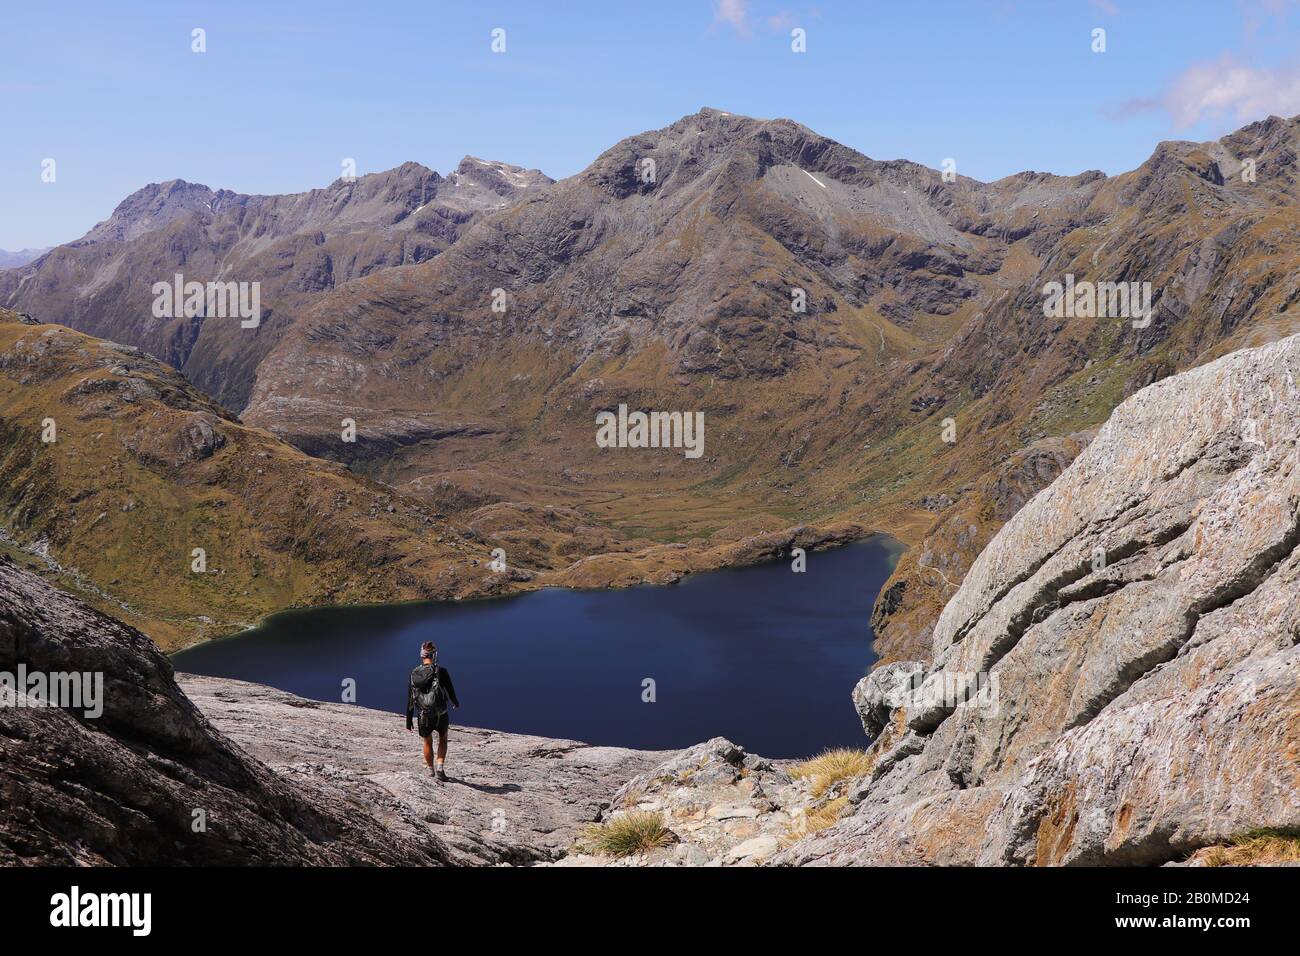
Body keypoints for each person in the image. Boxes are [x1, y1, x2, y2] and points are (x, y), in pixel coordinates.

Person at [405, 640, 460, 782]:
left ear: (422, 656)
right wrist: (455, 702)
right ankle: (440, 766)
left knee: (427, 741)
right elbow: (449, 689)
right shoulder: (440, 671)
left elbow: (411, 697)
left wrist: (409, 720)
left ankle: (431, 770)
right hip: (440, 713)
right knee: (443, 738)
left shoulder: (414, 673)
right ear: (434, 655)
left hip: (423, 715)